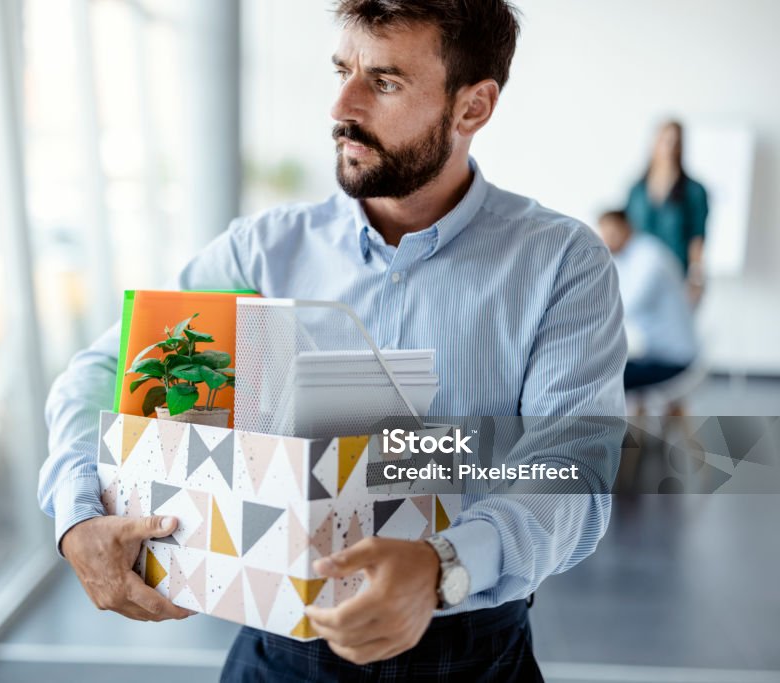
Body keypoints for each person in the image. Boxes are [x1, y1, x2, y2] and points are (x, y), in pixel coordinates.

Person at [39, 1, 626, 680]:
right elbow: (108, 369)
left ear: (473, 108)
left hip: (470, 650)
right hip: (282, 649)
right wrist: (77, 513)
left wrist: (445, 565)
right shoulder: (260, 253)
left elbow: (572, 466)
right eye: (342, 70)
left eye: (384, 82)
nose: (340, 105)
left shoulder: (561, 263)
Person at [597, 210, 697, 391]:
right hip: (655, 353)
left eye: (611, 234)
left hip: (671, 360)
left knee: (600, 377)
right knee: (602, 369)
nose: (606, 241)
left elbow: (626, 306)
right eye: (603, 234)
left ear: (627, 228)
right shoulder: (630, 256)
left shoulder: (649, 257)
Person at [625, 120, 710, 301]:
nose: (669, 148)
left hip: (677, 277)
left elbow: (697, 238)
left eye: (675, 142)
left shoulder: (694, 191)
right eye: (665, 140)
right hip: (639, 277)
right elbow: (628, 233)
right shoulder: (637, 190)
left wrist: (696, 278)